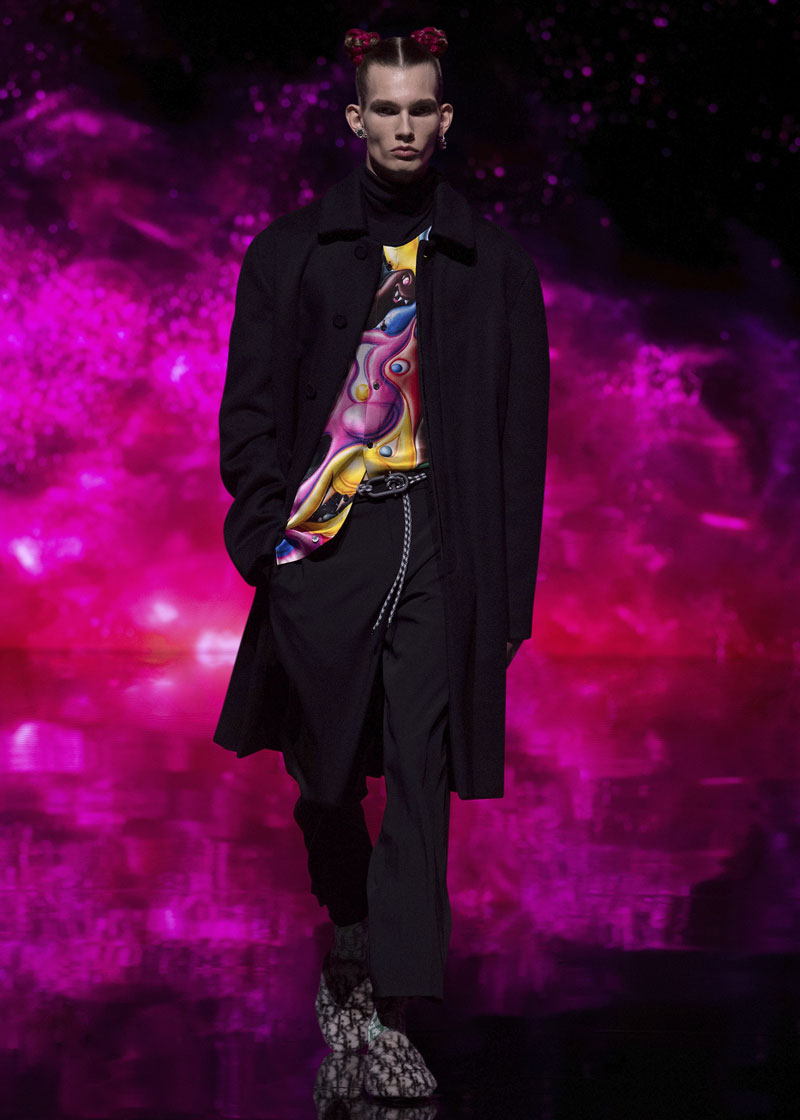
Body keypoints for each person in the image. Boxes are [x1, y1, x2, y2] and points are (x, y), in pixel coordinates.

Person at [214, 25, 550, 1102]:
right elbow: (249, 411)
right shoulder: (290, 252)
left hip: (442, 539)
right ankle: (350, 925)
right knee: (322, 777)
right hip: (326, 541)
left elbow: (521, 443)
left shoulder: (494, 267)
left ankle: (389, 1007)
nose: (405, 128)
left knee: (419, 772)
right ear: (357, 118)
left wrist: (504, 598)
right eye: (386, 110)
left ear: (444, 120)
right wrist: (268, 545)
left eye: (421, 110)